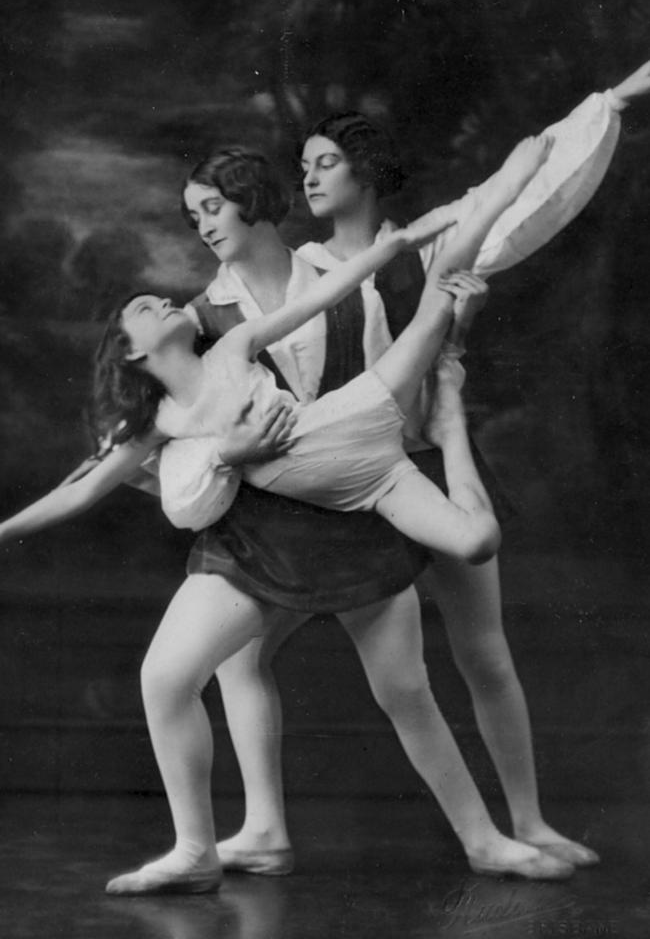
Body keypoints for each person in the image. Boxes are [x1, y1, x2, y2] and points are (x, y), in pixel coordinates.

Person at [0, 136, 576, 894]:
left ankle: (485, 838)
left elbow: (359, 323)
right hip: (268, 526)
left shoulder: (320, 278)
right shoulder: (203, 323)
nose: (203, 226)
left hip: (359, 475)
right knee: (187, 671)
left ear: (251, 203)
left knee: (404, 685)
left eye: (213, 208)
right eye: (193, 215)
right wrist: (222, 456)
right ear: (136, 351)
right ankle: (224, 841)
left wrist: (419, 279)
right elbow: (108, 467)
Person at [192, 59, 650, 878]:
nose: (309, 176)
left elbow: (503, 198)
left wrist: (458, 328)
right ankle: (269, 826)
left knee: (484, 652)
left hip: (429, 463)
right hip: (347, 482)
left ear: (367, 169)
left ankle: (529, 821)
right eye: (303, 167)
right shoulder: (298, 270)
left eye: (325, 161)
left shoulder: (427, 241)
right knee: (274, 657)